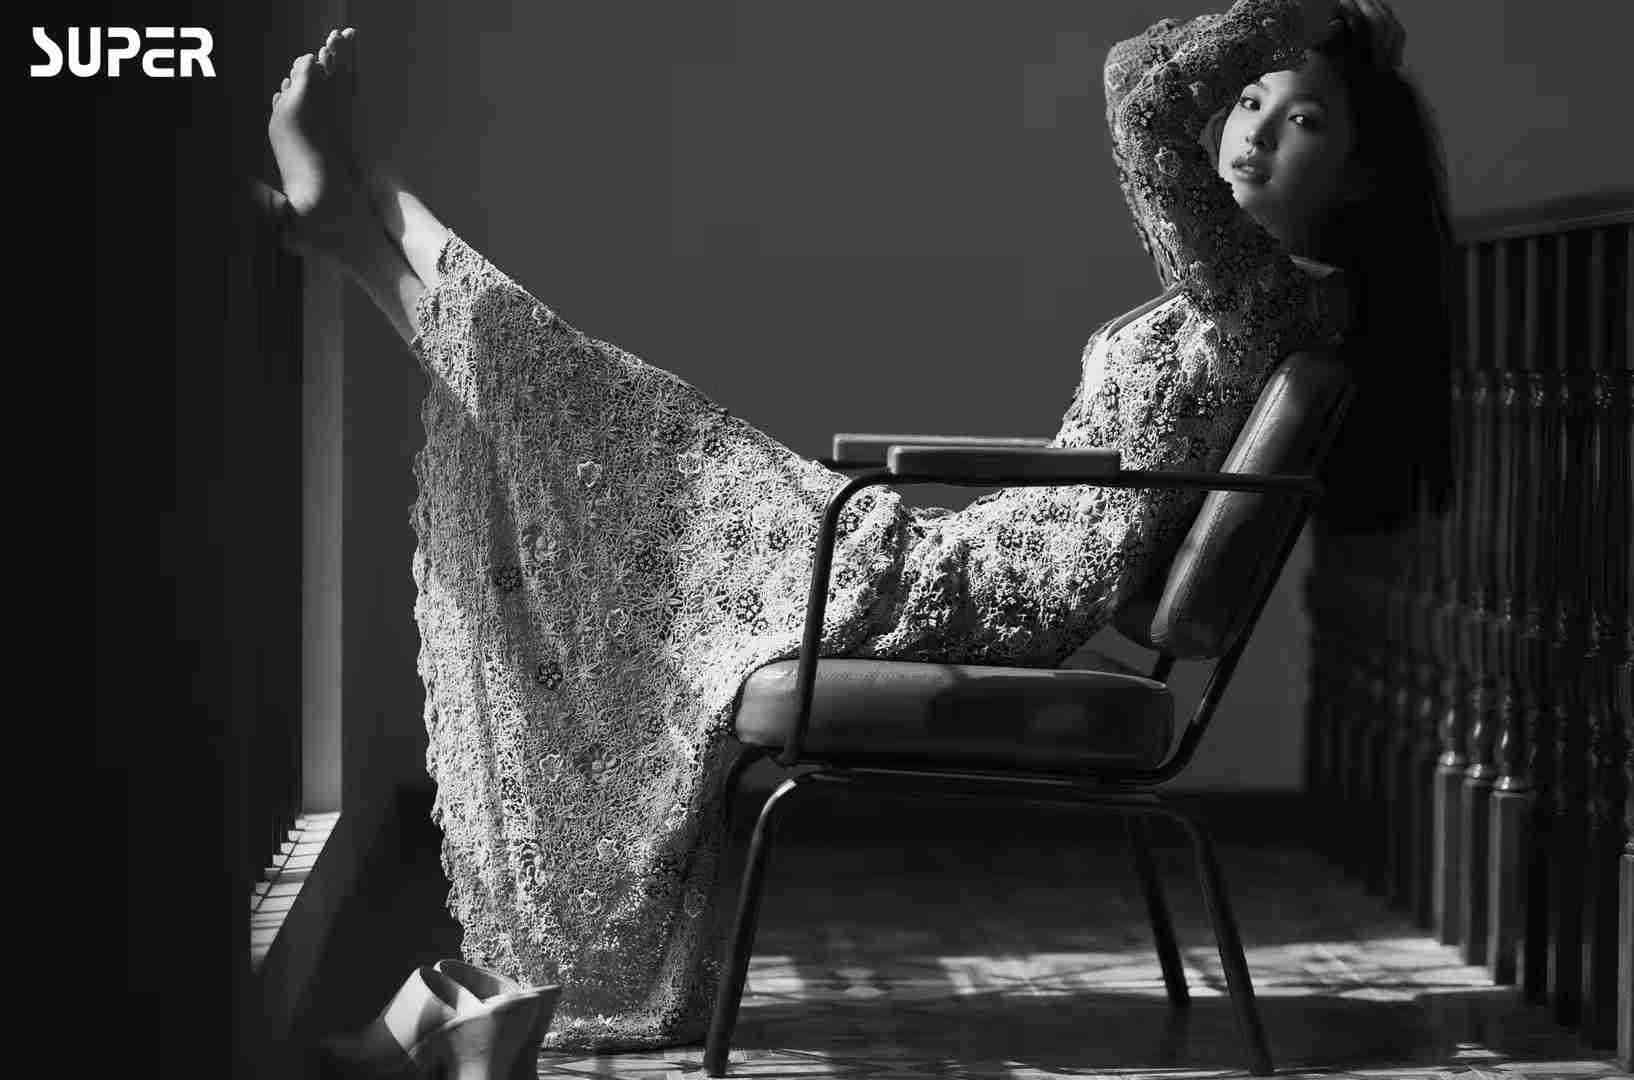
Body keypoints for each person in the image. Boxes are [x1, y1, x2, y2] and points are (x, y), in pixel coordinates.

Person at [256, 0, 1452, 1052]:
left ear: (1357, 177)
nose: (1249, 130)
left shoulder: (1260, 296)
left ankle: (366, 208)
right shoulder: (1237, 295)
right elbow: (1149, 104)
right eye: (1246, 98)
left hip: (959, 596)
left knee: (613, 425)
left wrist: (1292, 12)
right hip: (947, 563)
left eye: (1300, 118)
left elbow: (1137, 90)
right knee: (616, 431)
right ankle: (358, 220)